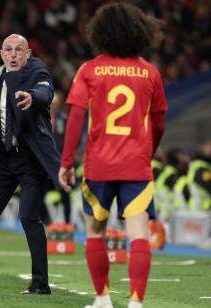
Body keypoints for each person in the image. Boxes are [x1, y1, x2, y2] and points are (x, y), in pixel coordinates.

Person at [58, 3, 167, 308]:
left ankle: (103, 299)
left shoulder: (89, 69)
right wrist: (148, 152)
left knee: (95, 233)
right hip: (136, 166)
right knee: (138, 235)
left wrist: (66, 162)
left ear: (100, 32)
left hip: (98, 166)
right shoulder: (150, 72)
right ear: (140, 31)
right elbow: (158, 123)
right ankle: (136, 303)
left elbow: (76, 118)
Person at [0, 34, 61, 294]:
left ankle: (40, 283)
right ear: (1, 54)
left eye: (19, 50)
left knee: (29, 217)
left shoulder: (37, 71)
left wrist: (33, 96)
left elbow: (46, 91)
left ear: (28, 53)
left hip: (31, 159)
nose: (13, 54)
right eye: (8, 50)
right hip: (3, 160)